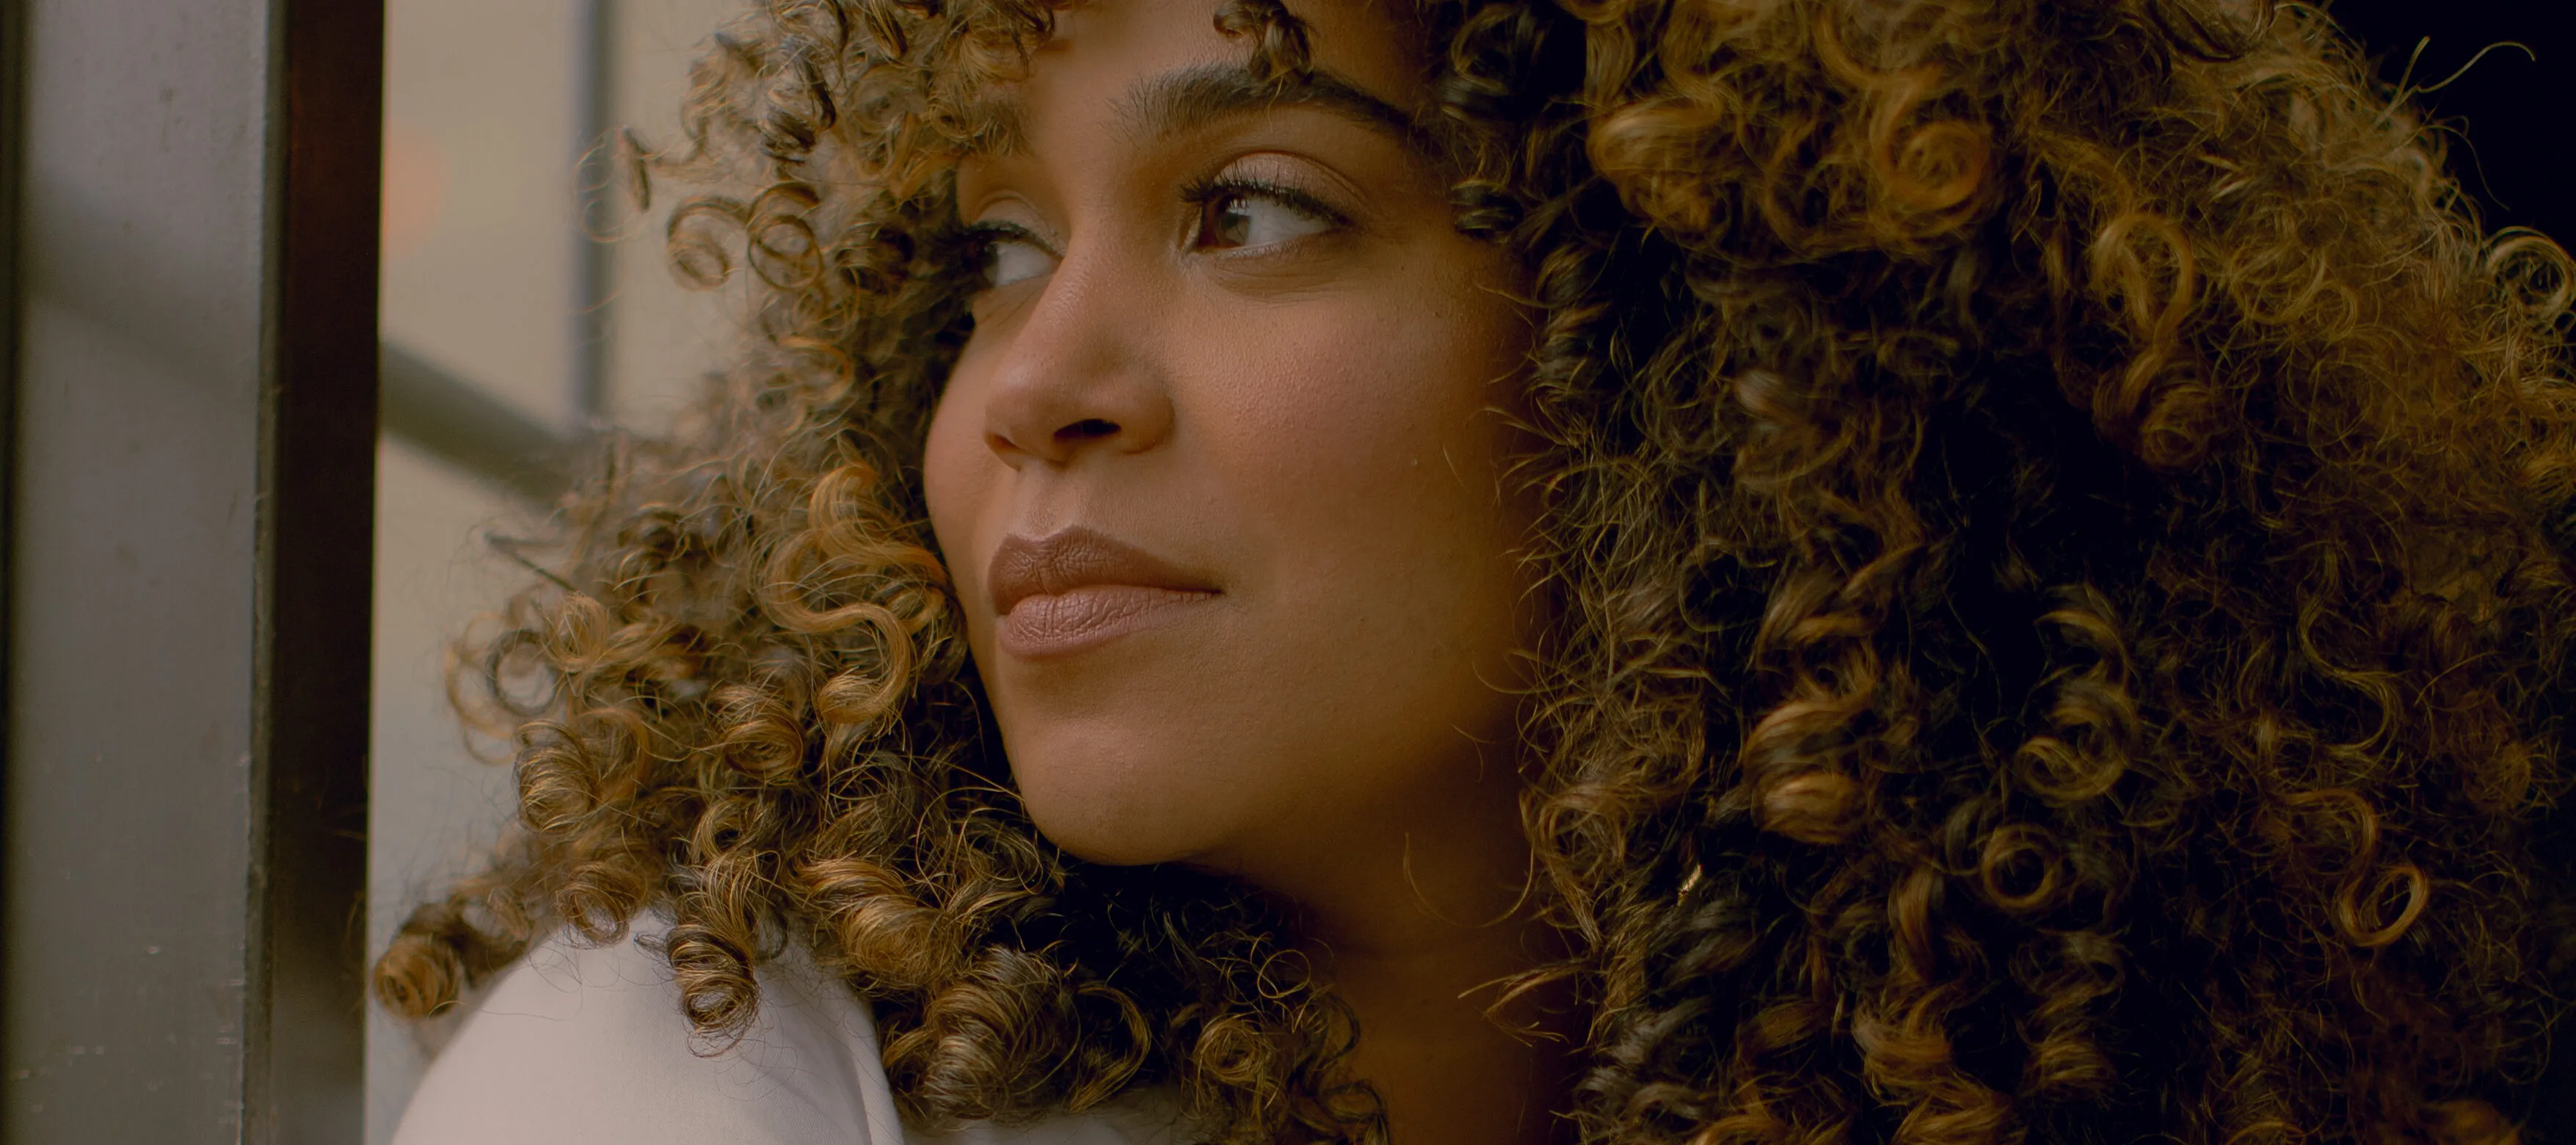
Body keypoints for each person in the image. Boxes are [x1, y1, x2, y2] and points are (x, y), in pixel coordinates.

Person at [374, 0, 2576, 1142]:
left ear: (1717, 339)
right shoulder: (695, 1068)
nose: (1028, 384)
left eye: (1247, 205)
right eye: (988, 255)